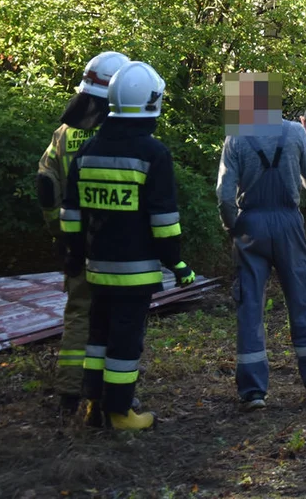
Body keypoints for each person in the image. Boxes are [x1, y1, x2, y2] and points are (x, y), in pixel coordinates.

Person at [61, 61, 195, 431]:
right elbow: (164, 220)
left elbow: (70, 213)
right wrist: (177, 264)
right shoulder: (154, 154)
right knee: (125, 343)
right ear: (153, 102)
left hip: (97, 267)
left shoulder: (87, 151)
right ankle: (120, 413)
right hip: (135, 273)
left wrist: (73, 252)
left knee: (97, 337)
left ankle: (93, 406)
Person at [216, 73, 306, 410]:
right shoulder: (296, 132)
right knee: (303, 301)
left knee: (250, 307)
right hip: (288, 222)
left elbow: (225, 195)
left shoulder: (236, 138)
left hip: (250, 223)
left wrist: (234, 227)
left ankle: (253, 392)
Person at [37, 50, 129, 419]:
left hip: (76, 241)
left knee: (79, 314)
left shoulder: (64, 133)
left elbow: (46, 183)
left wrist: (59, 231)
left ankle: (69, 393)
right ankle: (109, 395)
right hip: (116, 243)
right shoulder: (124, 133)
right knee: (118, 318)